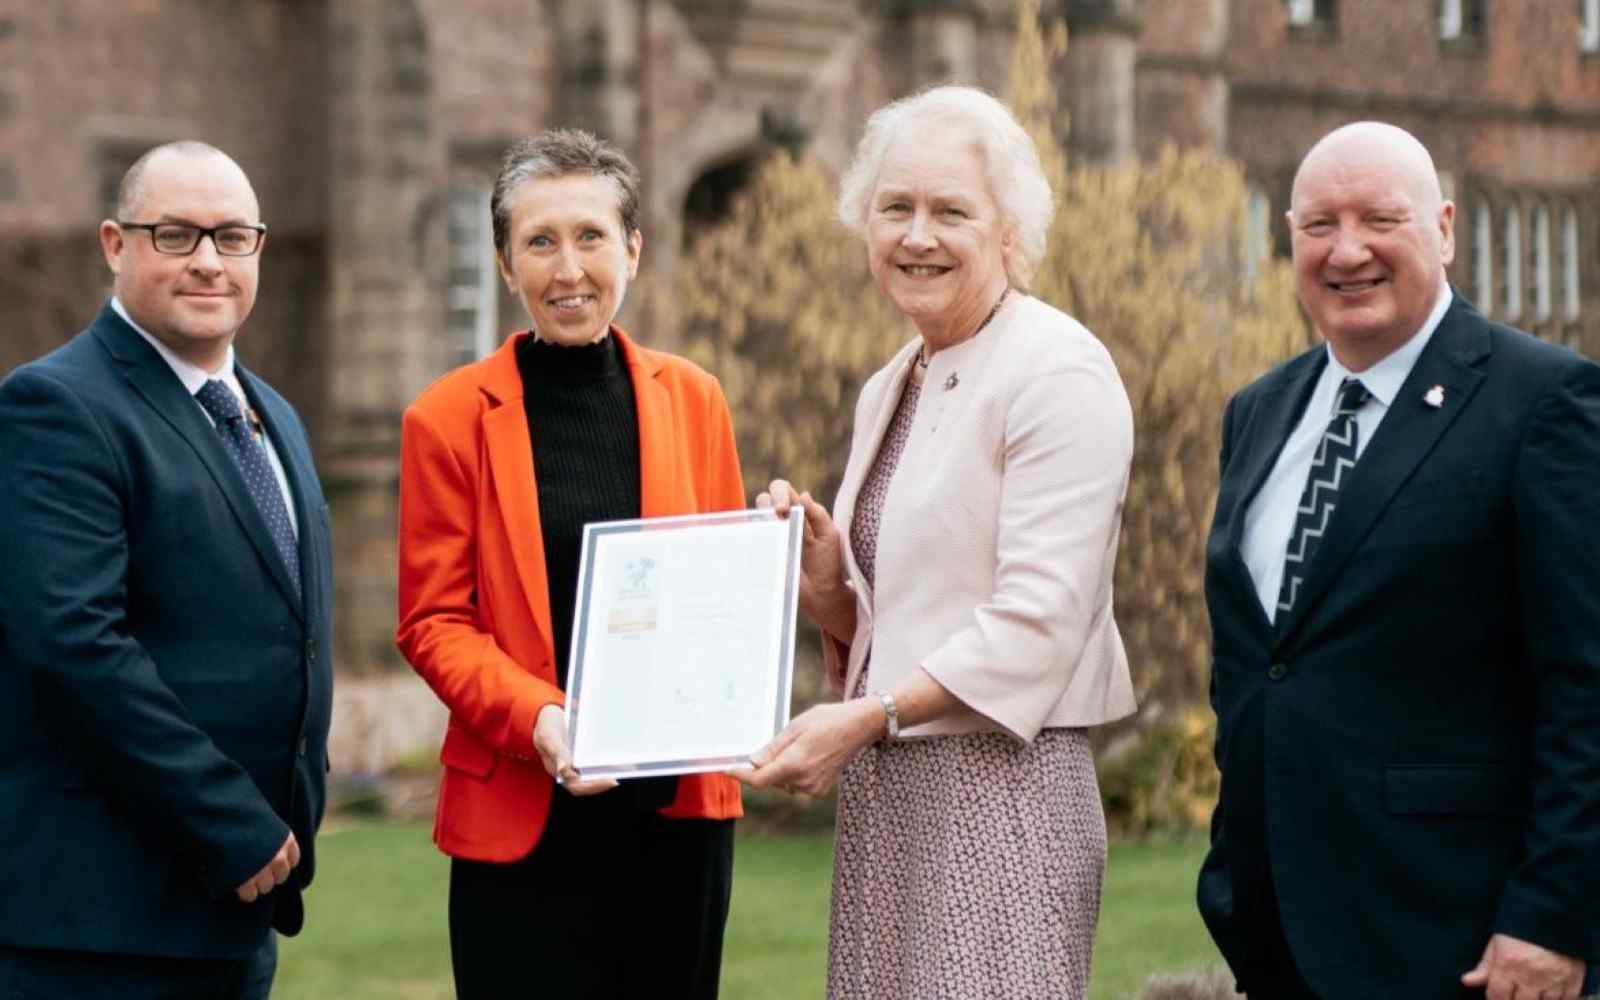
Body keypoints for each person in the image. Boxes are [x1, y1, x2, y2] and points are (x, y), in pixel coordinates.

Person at [743, 86, 1137, 998]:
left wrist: (870, 717)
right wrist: (831, 582)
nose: (917, 236)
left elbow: (1038, 621)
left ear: (1009, 230)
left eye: (950, 211)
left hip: (1005, 797)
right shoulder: (893, 381)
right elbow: (912, 607)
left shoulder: (1058, 368)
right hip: (893, 799)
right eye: (895, 209)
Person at [1199, 121, 1600, 999]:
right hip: (1276, 930)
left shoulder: (1543, 402)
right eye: (1318, 226)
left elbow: (1586, 682)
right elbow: (1258, 658)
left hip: (1458, 937)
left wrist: (1553, 914)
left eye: (1381, 219)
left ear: (1445, 228)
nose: (1348, 251)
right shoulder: (1259, 412)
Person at [395, 129, 745, 1000]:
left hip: (677, 820)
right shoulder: (444, 418)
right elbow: (432, 622)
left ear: (633, 248)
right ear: (507, 266)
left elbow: (720, 587)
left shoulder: (694, 397)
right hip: (522, 810)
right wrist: (541, 717)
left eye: (590, 237)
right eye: (540, 242)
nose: (568, 269)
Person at [0, 141, 333, 999]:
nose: (209, 262)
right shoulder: (56, 406)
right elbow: (75, 645)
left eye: (233, 237)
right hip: (98, 928)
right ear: (116, 243)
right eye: (176, 235)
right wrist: (233, 821)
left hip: (231, 917)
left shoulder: (276, 418)